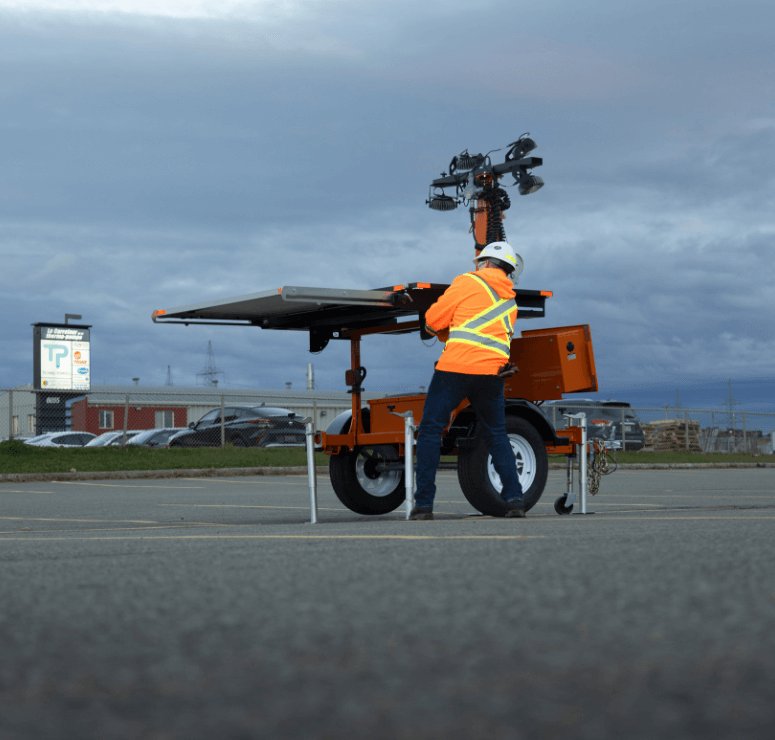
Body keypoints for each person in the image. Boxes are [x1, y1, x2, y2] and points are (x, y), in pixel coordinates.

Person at [411, 241, 525, 520]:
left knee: (429, 431)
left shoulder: (467, 282)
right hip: (491, 375)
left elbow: (433, 319)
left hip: (455, 368)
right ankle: (514, 500)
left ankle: (424, 505)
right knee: (496, 434)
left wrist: (435, 330)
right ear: (508, 270)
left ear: (485, 263)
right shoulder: (511, 301)